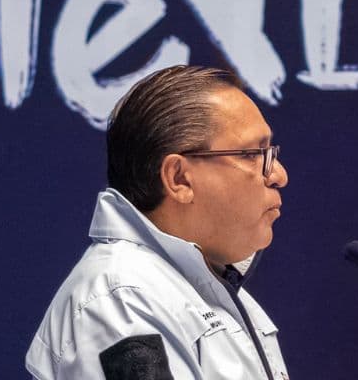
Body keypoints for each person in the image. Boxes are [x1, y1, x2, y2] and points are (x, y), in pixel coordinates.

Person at [25, 65, 290, 380]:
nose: (279, 175)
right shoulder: (122, 302)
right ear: (179, 179)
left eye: (270, 153)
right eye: (252, 155)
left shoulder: (203, 287)